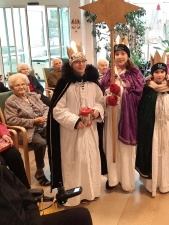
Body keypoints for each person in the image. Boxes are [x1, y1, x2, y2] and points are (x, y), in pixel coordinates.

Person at [48, 51, 104, 206]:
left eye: (83, 61)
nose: (81, 64)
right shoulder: (64, 83)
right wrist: (74, 121)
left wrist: (97, 111)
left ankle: (91, 191)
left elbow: (100, 101)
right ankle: (74, 196)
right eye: (77, 62)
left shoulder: (93, 83)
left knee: (90, 159)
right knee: (74, 161)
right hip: (71, 131)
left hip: (90, 129)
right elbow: (57, 110)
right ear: (71, 64)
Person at [136, 62, 169, 197]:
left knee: (165, 155)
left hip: (167, 128)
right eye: (156, 72)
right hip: (151, 128)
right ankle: (150, 183)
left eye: (162, 72)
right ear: (152, 74)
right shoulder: (147, 89)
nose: (159, 75)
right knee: (151, 154)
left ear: (166, 73)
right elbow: (142, 111)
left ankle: (165, 183)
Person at [100, 43, 144, 192]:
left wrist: (121, 92)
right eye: (116, 54)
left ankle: (126, 180)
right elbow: (100, 93)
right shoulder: (108, 73)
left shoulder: (134, 73)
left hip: (128, 116)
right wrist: (107, 98)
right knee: (111, 145)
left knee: (125, 149)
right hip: (111, 114)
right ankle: (113, 179)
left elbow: (139, 95)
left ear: (127, 55)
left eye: (122, 54)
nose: (119, 57)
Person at [5, 73, 50, 186]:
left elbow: (46, 107)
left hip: (42, 125)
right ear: (12, 87)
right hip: (25, 131)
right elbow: (11, 120)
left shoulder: (32, 95)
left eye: (23, 84)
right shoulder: (11, 101)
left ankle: (56, 168)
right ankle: (40, 172)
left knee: (56, 135)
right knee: (40, 143)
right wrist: (33, 121)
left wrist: (44, 117)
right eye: (17, 85)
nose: (21, 87)